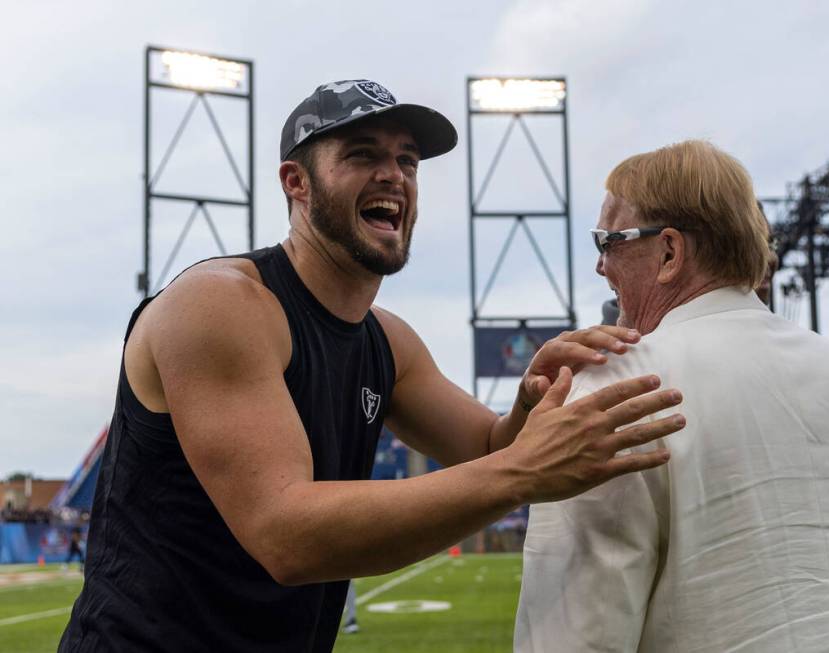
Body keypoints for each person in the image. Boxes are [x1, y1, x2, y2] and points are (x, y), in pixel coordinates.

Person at [58, 80, 686, 652]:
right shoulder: (219, 304)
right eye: (362, 155)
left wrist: (530, 397)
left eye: (407, 161)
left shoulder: (389, 341)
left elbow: (489, 445)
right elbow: (285, 534)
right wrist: (522, 472)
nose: (394, 176)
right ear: (295, 183)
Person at [515, 140, 829, 653]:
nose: (601, 266)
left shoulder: (619, 388)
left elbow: (576, 633)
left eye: (608, 240)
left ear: (669, 252)